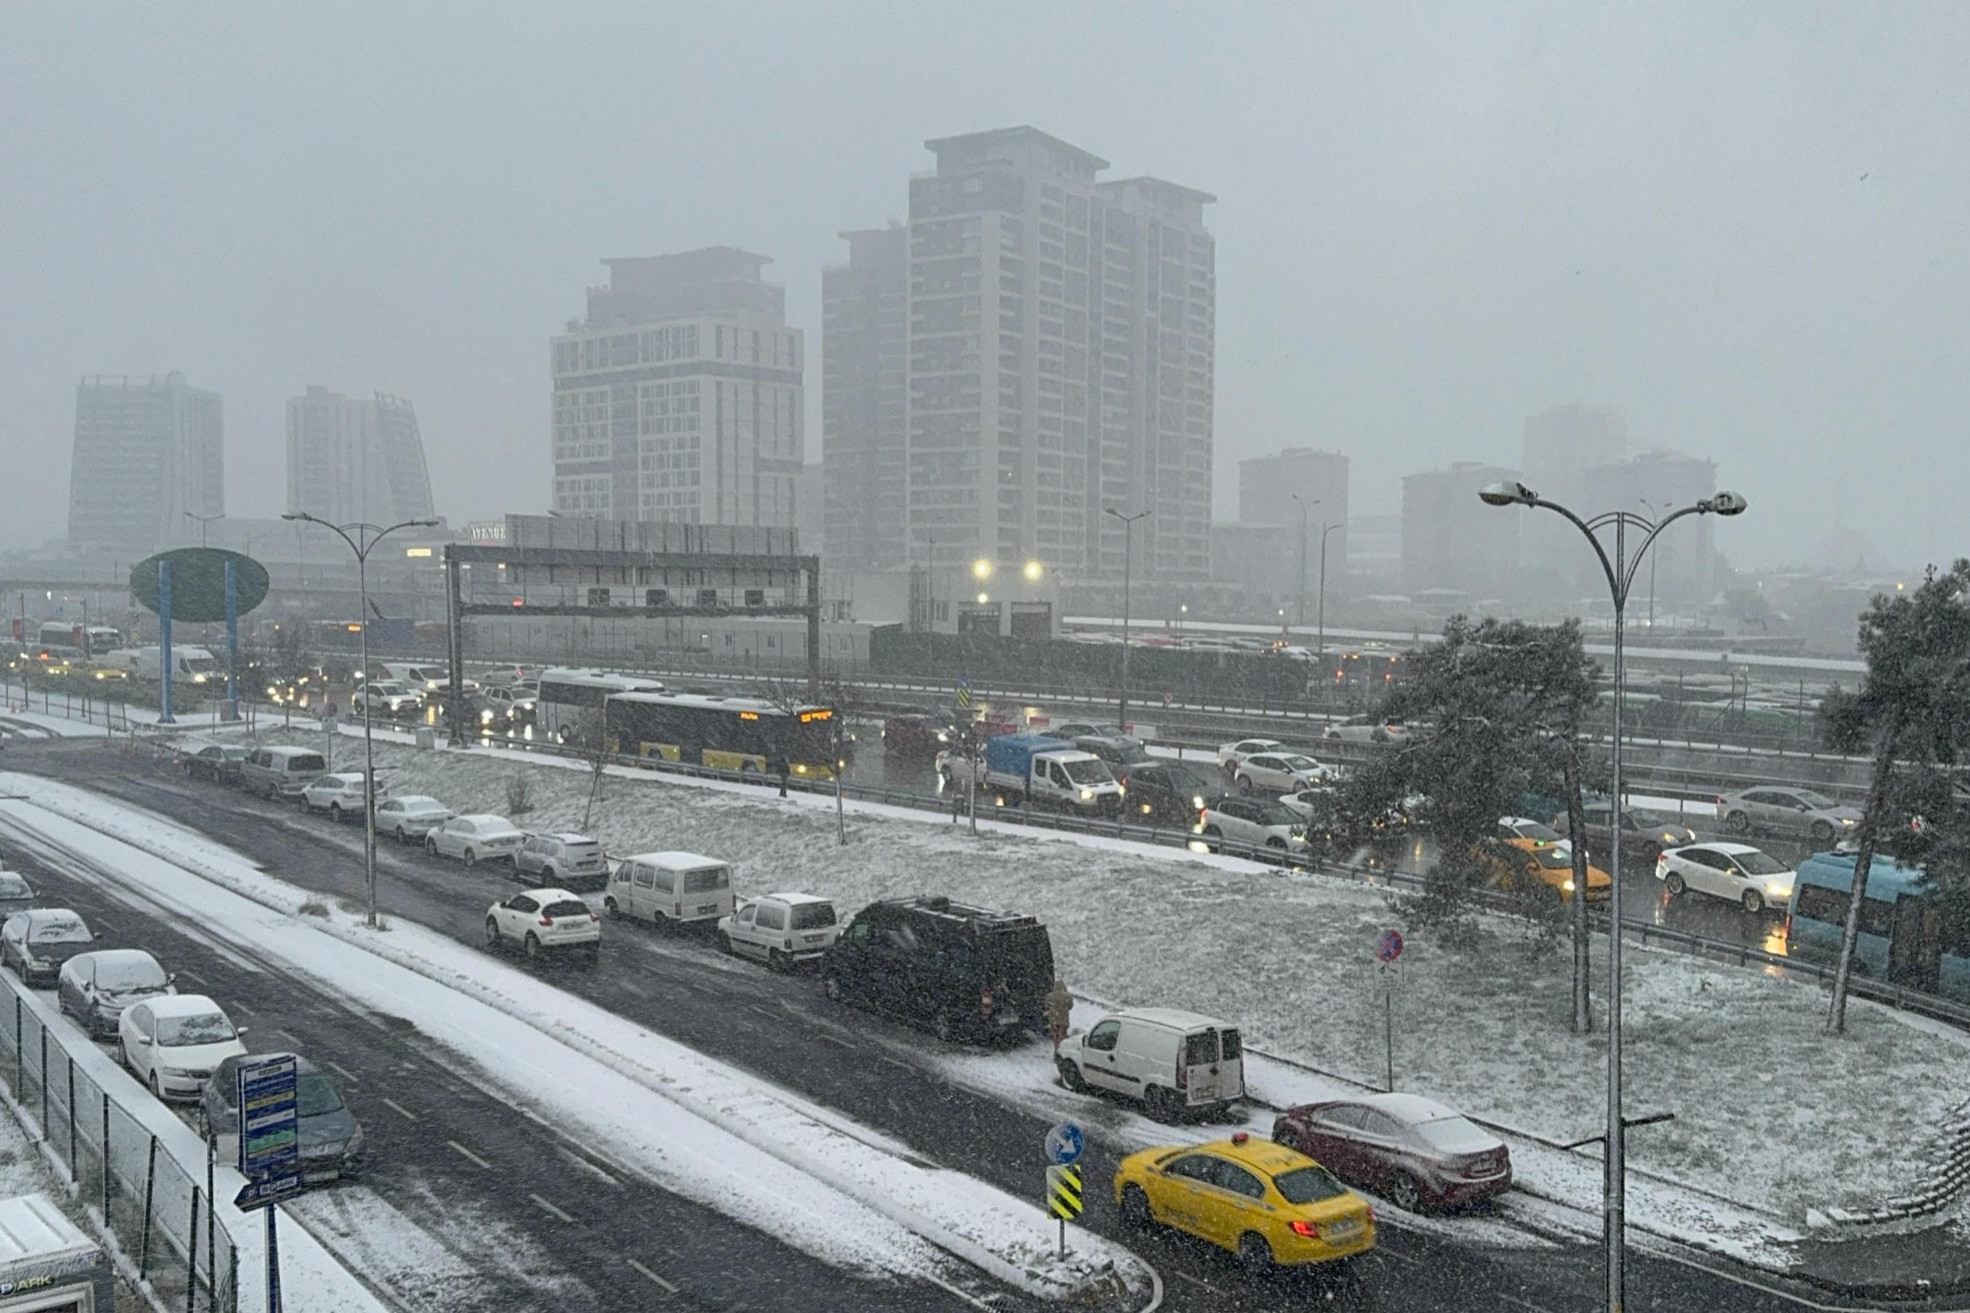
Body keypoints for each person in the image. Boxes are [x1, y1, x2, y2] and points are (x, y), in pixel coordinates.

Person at [1045, 978, 1073, 1057]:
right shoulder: (1067, 996)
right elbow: (1070, 1006)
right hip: (1063, 1020)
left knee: (1055, 1037)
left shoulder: (1049, 996)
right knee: (1063, 1037)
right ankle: (1061, 1053)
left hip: (1053, 1020)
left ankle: (1056, 1052)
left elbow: (1046, 1006)